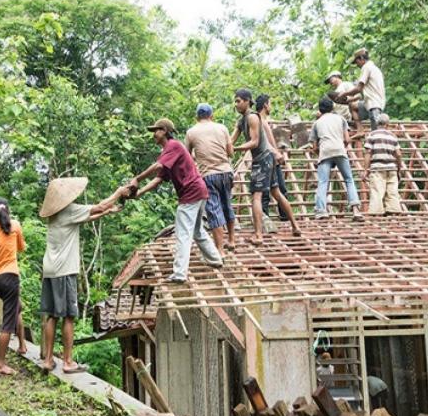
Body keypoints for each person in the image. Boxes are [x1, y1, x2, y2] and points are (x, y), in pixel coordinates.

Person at [39, 178, 128, 373]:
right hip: (64, 270)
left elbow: (88, 216)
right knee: (69, 316)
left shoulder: (55, 215)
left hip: (50, 270)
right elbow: (99, 206)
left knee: (52, 315)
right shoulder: (69, 211)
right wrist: (119, 192)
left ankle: (48, 360)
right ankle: (68, 362)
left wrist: (107, 212)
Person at [129, 118, 223, 281]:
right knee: (197, 230)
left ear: (165, 131)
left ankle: (179, 273)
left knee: (183, 233)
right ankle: (215, 259)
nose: (154, 134)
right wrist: (140, 193)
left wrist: (137, 179)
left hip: (191, 193)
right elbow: (158, 179)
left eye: (156, 130)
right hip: (198, 191)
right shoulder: (168, 152)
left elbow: (158, 166)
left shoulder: (173, 146)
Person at [231, 89, 302, 245]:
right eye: (235, 101)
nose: (236, 104)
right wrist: (223, 146)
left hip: (262, 159)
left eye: (238, 101)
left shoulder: (252, 117)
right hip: (267, 159)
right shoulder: (241, 121)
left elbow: (254, 142)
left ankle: (258, 235)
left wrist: (235, 149)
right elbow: (231, 140)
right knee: (276, 193)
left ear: (247, 101)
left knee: (256, 196)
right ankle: (295, 226)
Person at [0, 198, 27, 375]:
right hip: (10, 277)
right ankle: (0, 364)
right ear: (8, 210)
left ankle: (22, 345)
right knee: (8, 323)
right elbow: (21, 248)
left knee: (17, 307)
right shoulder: (15, 225)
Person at [185, 103, 237, 252]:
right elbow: (231, 153)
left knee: (214, 210)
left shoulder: (191, 132)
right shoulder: (222, 128)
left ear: (197, 117)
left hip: (208, 175)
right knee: (227, 205)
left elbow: (187, 157)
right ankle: (231, 240)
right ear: (211, 116)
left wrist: (198, 157)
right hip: (226, 172)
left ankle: (220, 250)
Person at [310, 97, 364, 221]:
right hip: (340, 150)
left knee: (323, 182)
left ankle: (321, 211)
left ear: (320, 109)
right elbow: (347, 139)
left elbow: (314, 147)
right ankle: (356, 211)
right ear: (332, 107)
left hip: (325, 151)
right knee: (349, 180)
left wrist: (320, 153)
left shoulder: (317, 123)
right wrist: (341, 147)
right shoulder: (340, 119)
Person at [255, 95, 290, 224]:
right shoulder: (259, 120)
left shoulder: (263, 120)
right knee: (265, 192)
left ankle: (284, 217)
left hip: (272, 160)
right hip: (266, 159)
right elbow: (263, 142)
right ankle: (264, 219)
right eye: (270, 104)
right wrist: (276, 153)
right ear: (265, 105)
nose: (270, 107)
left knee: (280, 189)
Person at [335, 48, 386, 131]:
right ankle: (360, 130)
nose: (357, 65)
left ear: (361, 58)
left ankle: (370, 133)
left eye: (357, 62)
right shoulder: (375, 68)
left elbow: (358, 88)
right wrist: (349, 100)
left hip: (374, 104)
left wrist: (344, 94)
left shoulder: (366, 67)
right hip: (372, 103)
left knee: (376, 131)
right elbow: (362, 93)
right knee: (353, 106)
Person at [364, 114, 403, 215]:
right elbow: (398, 154)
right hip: (392, 168)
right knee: (392, 191)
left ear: (377, 124)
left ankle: (376, 212)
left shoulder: (372, 135)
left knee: (377, 191)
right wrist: (399, 168)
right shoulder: (392, 136)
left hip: (377, 167)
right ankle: (393, 209)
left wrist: (366, 170)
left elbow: (368, 153)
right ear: (387, 124)